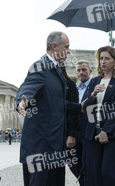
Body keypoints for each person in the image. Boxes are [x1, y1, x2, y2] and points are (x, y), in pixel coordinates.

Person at [16, 31, 70, 186]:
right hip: (40, 148)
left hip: (55, 148)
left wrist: (80, 107)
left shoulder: (57, 69)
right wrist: (21, 102)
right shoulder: (40, 66)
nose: (69, 51)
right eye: (66, 47)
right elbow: (27, 88)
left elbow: (55, 104)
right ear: (54, 46)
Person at [83, 46, 115, 186]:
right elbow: (85, 106)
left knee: (109, 174)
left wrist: (106, 131)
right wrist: (93, 95)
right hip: (92, 132)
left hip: (113, 133)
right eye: (101, 58)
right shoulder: (94, 81)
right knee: (93, 175)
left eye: (107, 58)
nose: (103, 61)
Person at [68, 60, 93, 185]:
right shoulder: (74, 89)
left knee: (88, 166)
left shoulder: (94, 86)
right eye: (78, 70)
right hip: (74, 132)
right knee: (73, 163)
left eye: (84, 70)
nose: (81, 72)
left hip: (88, 132)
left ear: (90, 71)